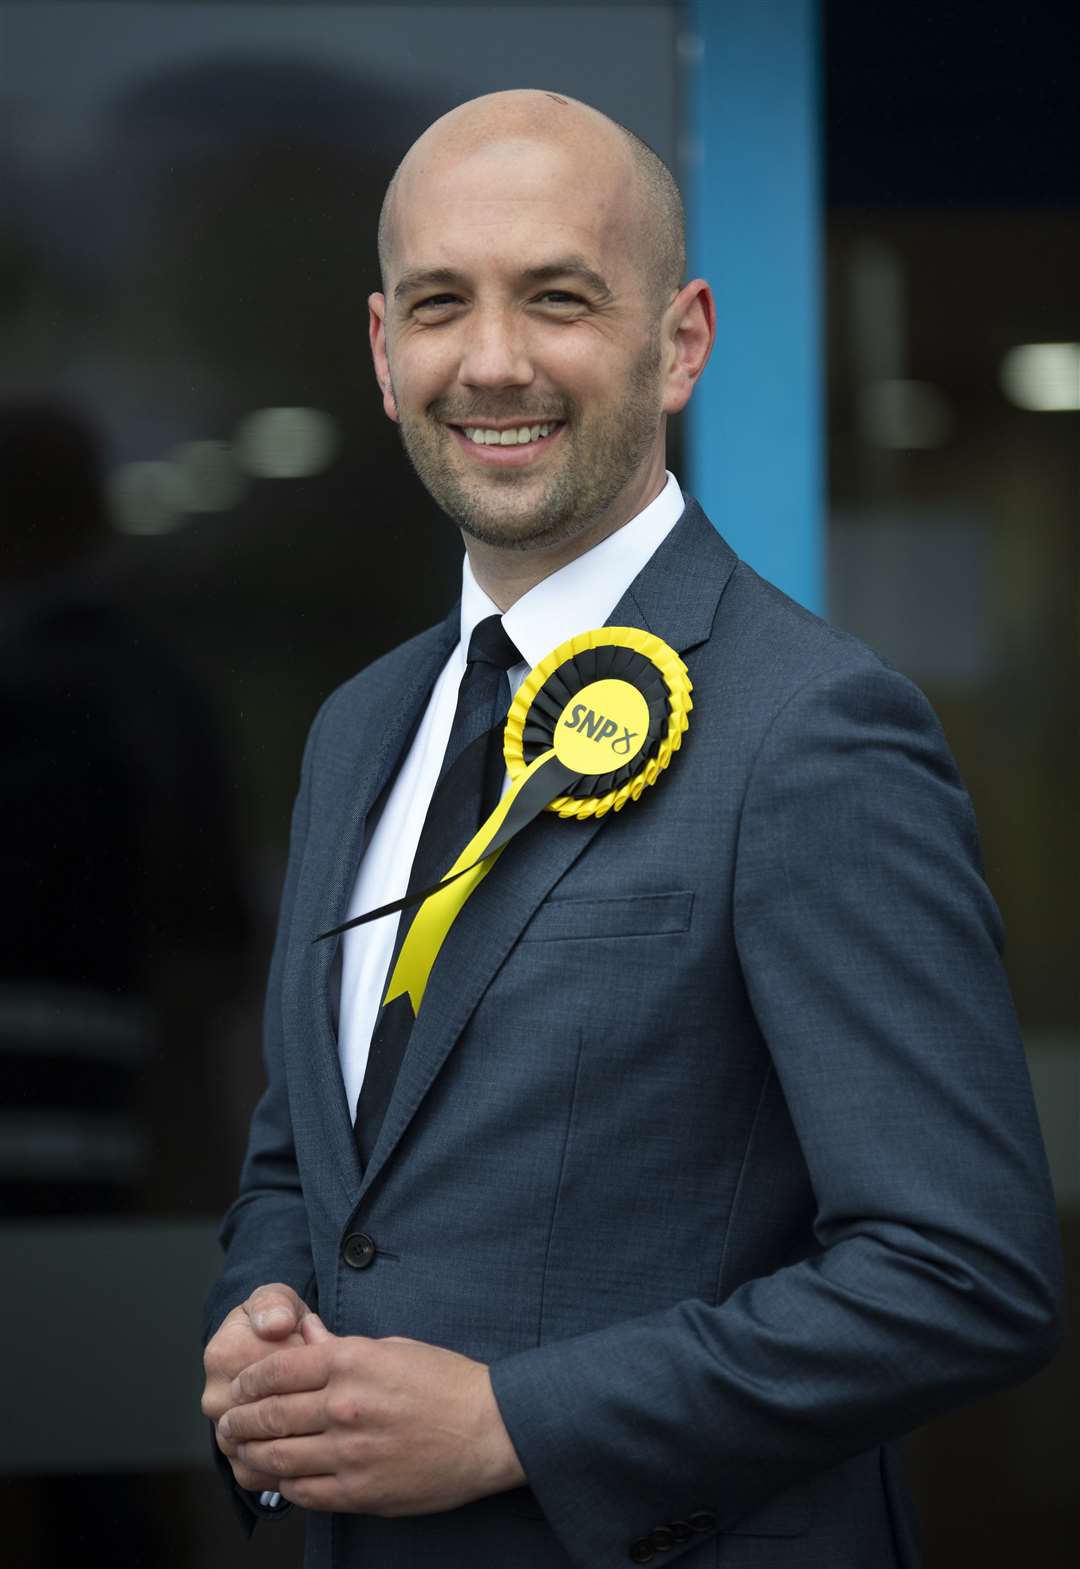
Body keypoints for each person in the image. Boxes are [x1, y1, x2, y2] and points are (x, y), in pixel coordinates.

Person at [202, 90, 1063, 1569]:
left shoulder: (815, 728)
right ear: (381, 352)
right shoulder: (360, 730)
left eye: (558, 298)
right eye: (439, 305)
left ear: (681, 342)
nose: (492, 360)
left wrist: (514, 1421)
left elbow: (962, 1271)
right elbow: (308, 1167)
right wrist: (269, 1324)